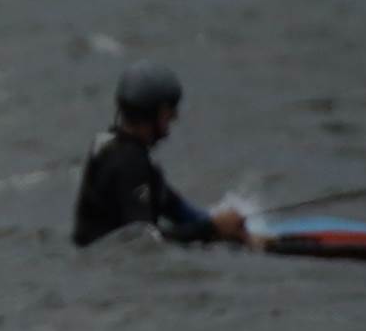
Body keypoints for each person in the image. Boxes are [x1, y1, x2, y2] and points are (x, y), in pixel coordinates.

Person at [73, 61, 249, 249]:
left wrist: (219, 224)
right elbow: (145, 240)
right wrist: (212, 228)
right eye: (170, 111)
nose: (174, 118)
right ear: (159, 113)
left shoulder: (112, 147)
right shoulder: (130, 164)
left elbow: (179, 211)